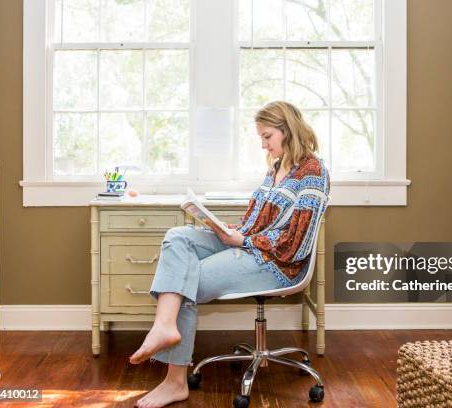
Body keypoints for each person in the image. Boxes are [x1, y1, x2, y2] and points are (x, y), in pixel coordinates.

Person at [129, 101, 331, 408]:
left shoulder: (313, 172)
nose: (263, 144)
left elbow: (296, 242)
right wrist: (229, 231)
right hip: (249, 242)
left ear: (288, 131)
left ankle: (174, 383)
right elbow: (261, 220)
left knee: (186, 281)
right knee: (178, 236)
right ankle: (164, 326)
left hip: (277, 264)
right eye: (261, 138)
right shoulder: (276, 166)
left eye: (267, 137)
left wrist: (244, 241)